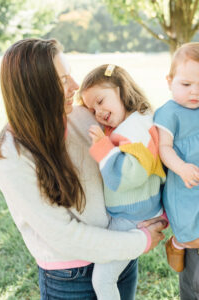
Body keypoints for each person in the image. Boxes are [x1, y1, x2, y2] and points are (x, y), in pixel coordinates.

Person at [0, 38, 167, 300]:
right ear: (36, 89)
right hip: (72, 278)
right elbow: (65, 236)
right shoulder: (11, 155)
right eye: (63, 80)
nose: (75, 87)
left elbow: (138, 142)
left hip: (121, 257)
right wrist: (141, 240)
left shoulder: (83, 117)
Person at [78, 64, 166, 300]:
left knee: (102, 279)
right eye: (90, 108)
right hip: (133, 213)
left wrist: (102, 148)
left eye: (100, 100)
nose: (97, 112)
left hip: (131, 217)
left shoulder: (136, 129)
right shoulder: (133, 122)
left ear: (121, 89)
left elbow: (128, 176)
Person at [154, 42, 199, 297]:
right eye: (186, 85)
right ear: (170, 81)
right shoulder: (169, 112)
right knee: (191, 228)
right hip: (183, 184)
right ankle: (179, 242)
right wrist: (181, 168)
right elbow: (164, 148)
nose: (195, 92)